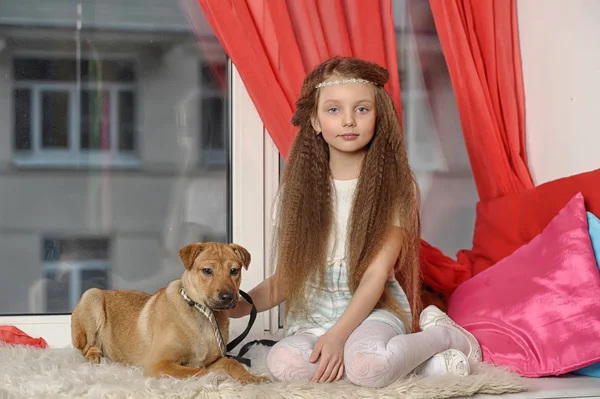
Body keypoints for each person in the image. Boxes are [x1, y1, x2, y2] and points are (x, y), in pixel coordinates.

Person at [227, 56, 481, 388]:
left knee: (367, 367)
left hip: (373, 308)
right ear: (315, 121)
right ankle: (419, 366)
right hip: (314, 316)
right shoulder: (299, 190)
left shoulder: (394, 187)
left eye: (361, 109)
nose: (348, 120)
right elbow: (290, 276)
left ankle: (445, 338)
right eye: (334, 110)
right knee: (283, 363)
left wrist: (338, 336)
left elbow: (376, 275)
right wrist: (240, 306)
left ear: (378, 117)